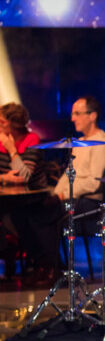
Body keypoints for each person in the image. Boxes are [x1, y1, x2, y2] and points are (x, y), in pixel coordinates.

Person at [16, 96, 105, 284]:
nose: (73, 118)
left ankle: (54, 268)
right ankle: (47, 265)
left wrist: (62, 195)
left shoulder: (103, 142)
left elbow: (94, 183)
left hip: (89, 200)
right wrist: (54, 193)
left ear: (92, 116)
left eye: (77, 113)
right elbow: (68, 175)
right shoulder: (80, 142)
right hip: (71, 197)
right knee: (28, 214)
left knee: (41, 216)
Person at [0, 102, 46, 278]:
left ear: (10, 124)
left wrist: (12, 150)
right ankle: (7, 254)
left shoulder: (31, 139)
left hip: (31, 198)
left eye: (1, 121)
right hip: (7, 197)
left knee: (15, 217)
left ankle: (38, 261)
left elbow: (24, 176)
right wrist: (4, 178)